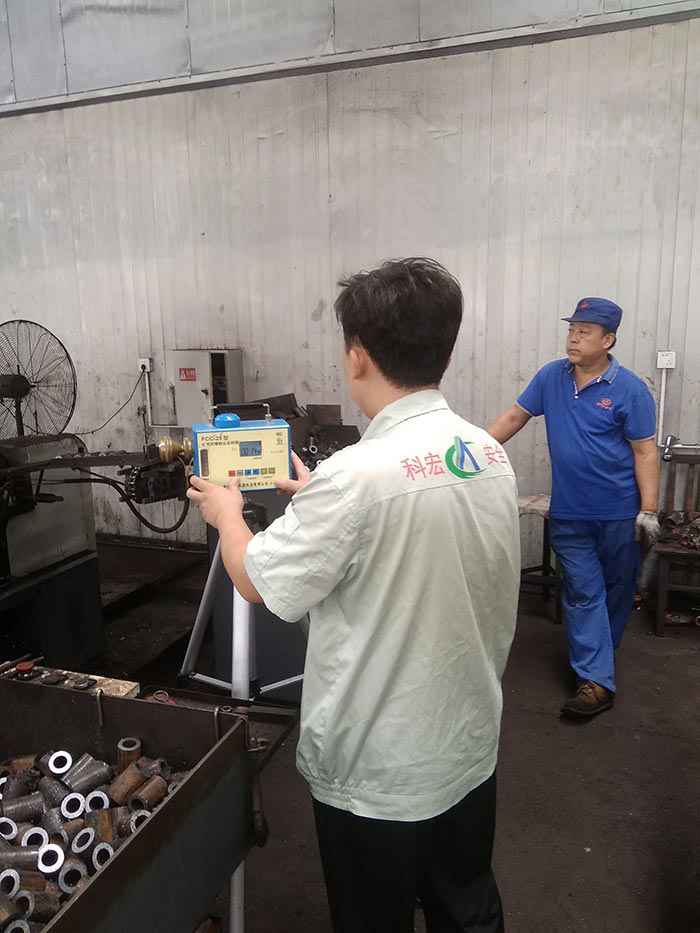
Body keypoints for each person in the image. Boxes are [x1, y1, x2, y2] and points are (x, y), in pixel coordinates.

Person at [188, 258, 520, 933]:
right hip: (464, 747)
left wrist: (227, 514)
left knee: (374, 918)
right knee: (467, 906)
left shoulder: (355, 478)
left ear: (358, 355)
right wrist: (320, 498)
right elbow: (415, 530)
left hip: (378, 772)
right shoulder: (484, 452)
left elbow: (254, 578)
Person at [487, 298, 660, 719]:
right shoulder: (551, 377)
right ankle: (596, 681)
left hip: (619, 513)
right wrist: (470, 453)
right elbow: (513, 417)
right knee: (583, 591)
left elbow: (644, 451)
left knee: (617, 590)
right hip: (570, 513)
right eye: (571, 330)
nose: (573, 338)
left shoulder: (631, 389)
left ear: (608, 340)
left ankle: (599, 657)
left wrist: (649, 510)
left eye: (584, 331)